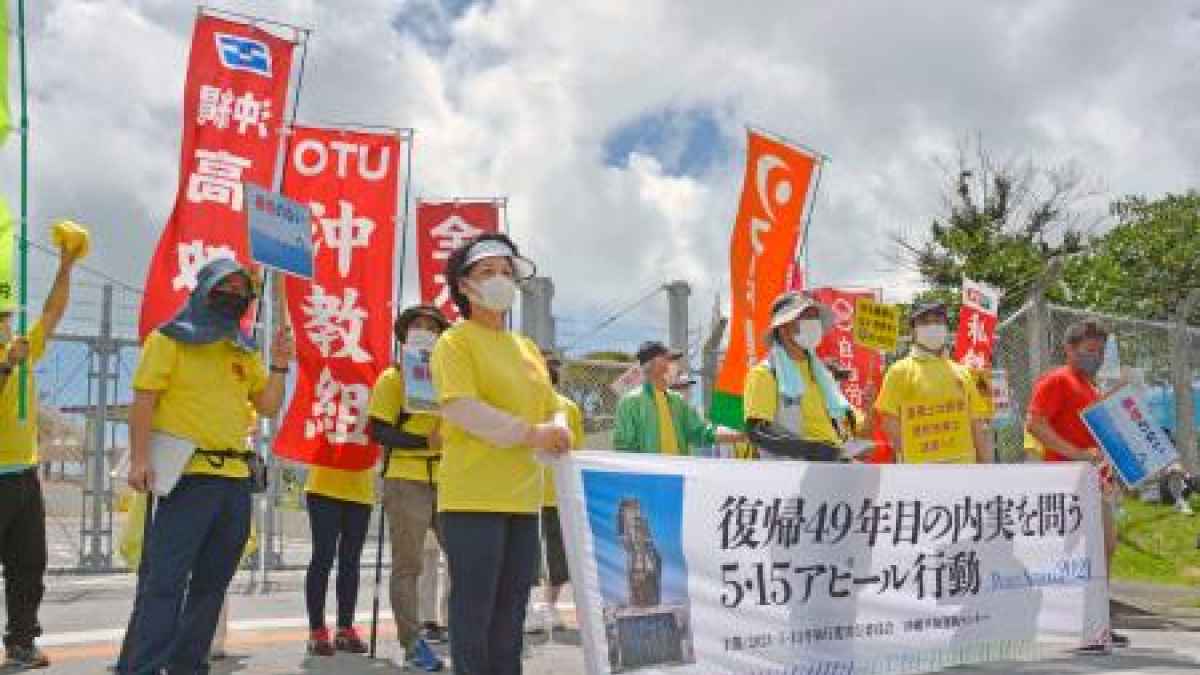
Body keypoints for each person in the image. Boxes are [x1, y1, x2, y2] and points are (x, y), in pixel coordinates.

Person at [125, 258, 292, 674]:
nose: (234, 296)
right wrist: (141, 458)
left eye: (242, 291)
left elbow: (268, 405)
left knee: (212, 584)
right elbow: (144, 400)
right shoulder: (169, 339)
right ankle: (143, 666)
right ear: (204, 288)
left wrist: (279, 364)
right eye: (226, 287)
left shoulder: (242, 348)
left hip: (235, 481)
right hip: (187, 477)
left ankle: (188, 665)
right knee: (165, 581)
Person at [431, 233, 573, 674]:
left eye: (507, 272)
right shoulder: (456, 341)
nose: (501, 279)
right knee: (474, 610)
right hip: (472, 496)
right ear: (464, 285)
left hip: (523, 498)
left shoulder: (527, 347)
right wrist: (531, 433)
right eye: (487, 271)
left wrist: (560, 429)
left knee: (512, 611)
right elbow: (461, 407)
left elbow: (554, 404)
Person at [0, 224, 82, 669]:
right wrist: (3, 368)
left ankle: (21, 642)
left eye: (6, 316)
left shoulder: (22, 349)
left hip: (23, 477)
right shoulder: (11, 358)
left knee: (28, 567)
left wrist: (66, 265)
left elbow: (52, 312)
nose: (5, 323)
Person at [1025, 319, 1128, 652]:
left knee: (1104, 548)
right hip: (1070, 481)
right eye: (1088, 350)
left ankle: (1096, 622)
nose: (1095, 357)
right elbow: (1035, 423)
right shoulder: (1058, 380)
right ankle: (1084, 624)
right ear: (1069, 349)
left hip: (1094, 480)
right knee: (1087, 552)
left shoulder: (1088, 385)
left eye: (1099, 351)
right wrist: (1076, 455)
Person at [367, 303, 450, 671]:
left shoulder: (450, 376)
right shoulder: (393, 378)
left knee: (464, 560)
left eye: (432, 327)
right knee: (409, 565)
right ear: (403, 336)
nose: (424, 331)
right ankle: (412, 642)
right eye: (416, 325)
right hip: (406, 479)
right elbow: (378, 430)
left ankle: (459, 631)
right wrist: (422, 444)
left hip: (449, 479)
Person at [874, 302, 993, 465]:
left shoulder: (963, 372)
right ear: (913, 331)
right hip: (920, 475)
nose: (932, 326)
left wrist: (985, 467)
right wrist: (913, 459)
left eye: (938, 321)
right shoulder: (899, 371)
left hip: (964, 471)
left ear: (946, 327)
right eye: (924, 322)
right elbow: (889, 420)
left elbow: (977, 423)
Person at [743, 291, 854, 461]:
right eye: (805, 317)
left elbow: (850, 425)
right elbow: (756, 433)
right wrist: (810, 450)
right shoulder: (765, 373)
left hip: (832, 466)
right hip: (792, 476)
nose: (813, 323)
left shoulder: (822, 373)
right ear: (783, 328)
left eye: (815, 317)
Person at [525, 350, 584, 634]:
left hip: (557, 491)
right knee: (527, 555)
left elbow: (576, 448)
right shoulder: (522, 404)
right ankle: (527, 608)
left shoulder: (568, 407)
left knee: (558, 554)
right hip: (526, 492)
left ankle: (549, 606)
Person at [613, 340, 743, 454]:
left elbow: (702, 432)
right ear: (653, 364)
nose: (675, 365)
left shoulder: (677, 401)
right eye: (668, 360)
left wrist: (742, 435)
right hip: (650, 478)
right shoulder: (630, 402)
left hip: (677, 477)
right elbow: (624, 448)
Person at [302, 461, 375, 656]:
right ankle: (317, 631)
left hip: (360, 491)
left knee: (350, 562)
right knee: (322, 557)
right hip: (323, 487)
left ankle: (345, 629)